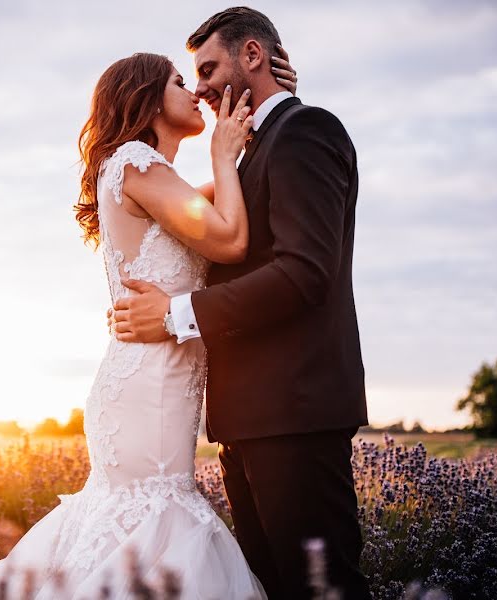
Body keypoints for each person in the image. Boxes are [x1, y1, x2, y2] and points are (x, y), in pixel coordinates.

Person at [0, 47, 298, 598]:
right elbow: (231, 237)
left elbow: (235, 189)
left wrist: (267, 105)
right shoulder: (134, 163)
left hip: (152, 377)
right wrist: (222, 151)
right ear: (146, 99)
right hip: (146, 385)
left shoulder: (158, 179)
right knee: (158, 519)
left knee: (141, 532)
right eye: (178, 81)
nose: (194, 91)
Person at [110, 7, 371, 600]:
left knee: (322, 589)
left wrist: (177, 314)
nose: (198, 88)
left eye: (207, 69)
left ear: (252, 56)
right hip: (248, 419)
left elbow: (305, 273)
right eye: (189, 78)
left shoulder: (307, 132)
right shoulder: (255, 149)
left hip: (295, 413)